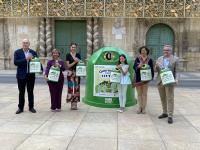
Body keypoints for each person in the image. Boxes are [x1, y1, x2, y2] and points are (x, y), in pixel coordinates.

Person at [155, 45, 179, 124]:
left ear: (170, 51)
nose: (165, 51)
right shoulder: (160, 58)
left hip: (169, 81)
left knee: (170, 98)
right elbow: (156, 70)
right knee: (163, 98)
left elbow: (177, 71)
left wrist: (176, 79)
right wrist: (156, 65)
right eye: (164, 50)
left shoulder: (175, 59)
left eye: (167, 50)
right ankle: (164, 112)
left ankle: (170, 116)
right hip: (160, 81)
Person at [14, 39, 38, 114]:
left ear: (29, 44)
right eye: (24, 43)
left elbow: (37, 62)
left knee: (30, 92)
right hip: (21, 75)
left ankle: (31, 107)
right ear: (22, 44)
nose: (25, 44)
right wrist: (26, 59)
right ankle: (20, 108)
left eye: (26, 43)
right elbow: (16, 62)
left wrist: (39, 68)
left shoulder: (33, 52)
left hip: (31, 75)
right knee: (21, 92)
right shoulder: (17, 52)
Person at [133, 46, 154, 114]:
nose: (143, 51)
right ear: (140, 51)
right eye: (142, 50)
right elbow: (134, 67)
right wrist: (138, 66)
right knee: (139, 94)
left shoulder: (149, 59)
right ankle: (139, 107)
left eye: (144, 50)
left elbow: (152, 69)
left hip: (146, 79)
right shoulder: (138, 59)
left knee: (144, 94)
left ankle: (144, 108)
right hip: (138, 78)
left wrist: (151, 77)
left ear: (147, 51)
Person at [66, 43, 81, 110]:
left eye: (74, 47)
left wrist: (79, 61)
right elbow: (68, 66)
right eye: (72, 47)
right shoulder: (68, 55)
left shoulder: (78, 55)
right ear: (70, 47)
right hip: (70, 73)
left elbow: (80, 64)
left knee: (77, 88)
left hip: (77, 73)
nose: (73, 48)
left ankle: (75, 104)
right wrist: (75, 62)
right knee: (71, 88)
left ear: (76, 48)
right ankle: (72, 104)